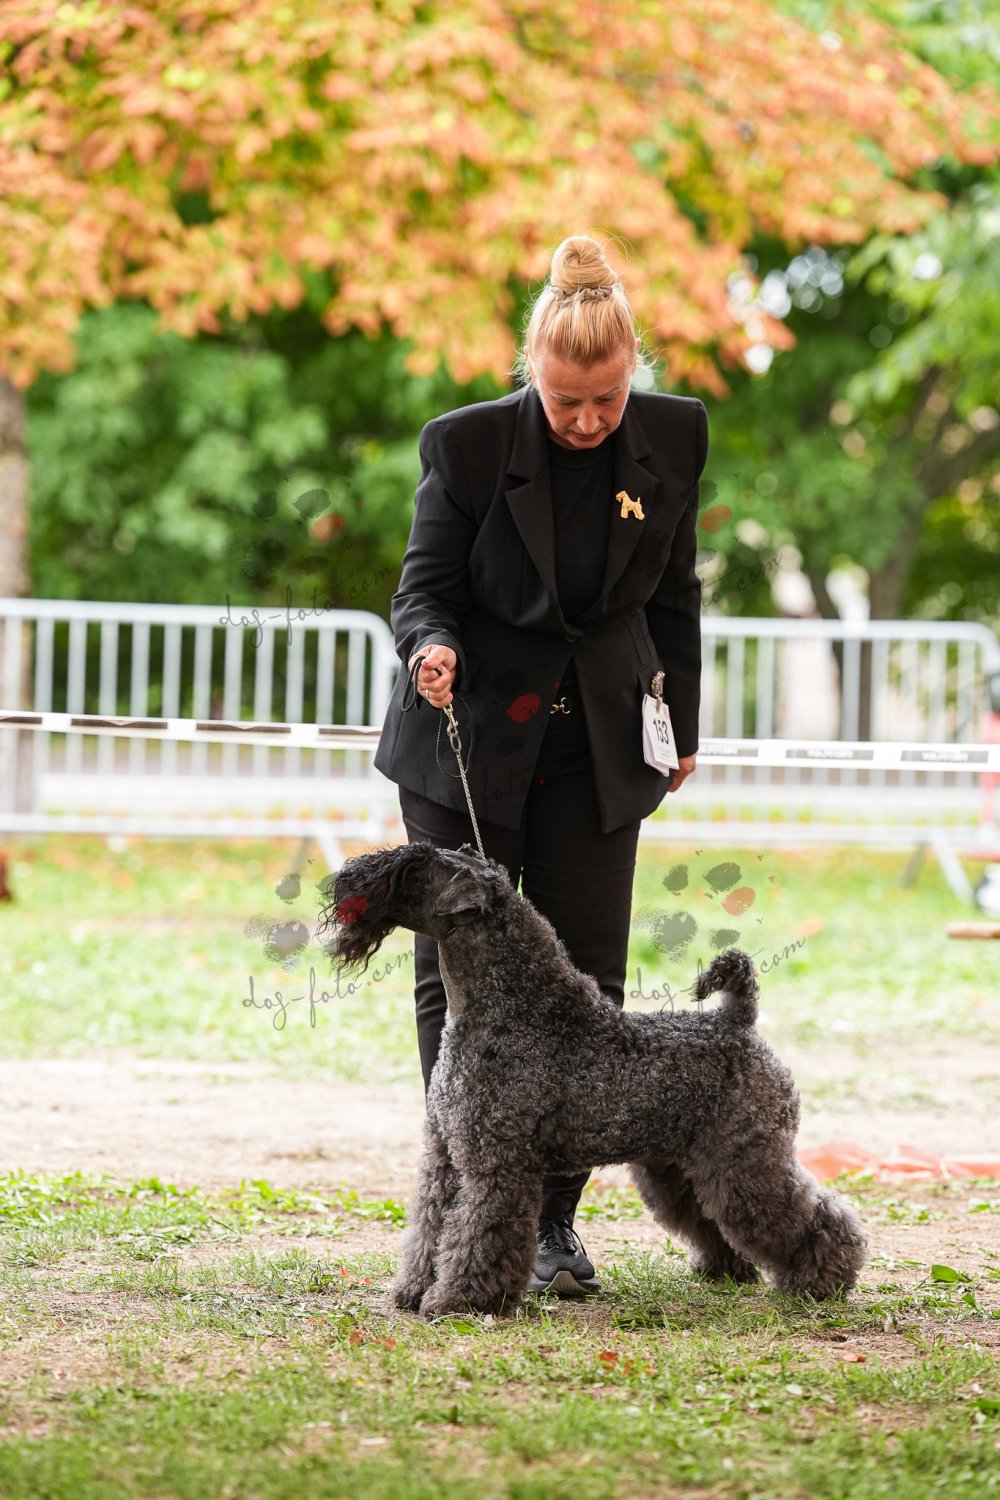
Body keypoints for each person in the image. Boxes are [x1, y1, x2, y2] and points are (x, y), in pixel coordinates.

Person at [372, 234, 709, 1296]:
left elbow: (675, 593)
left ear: (632, 369)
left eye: (606, 399)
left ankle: (553, 1225)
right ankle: (458, 1211)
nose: (588, 420)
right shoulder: (467, 445)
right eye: (567, 400)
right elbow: (422, 587)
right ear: (533, 372)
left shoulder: (675, 435)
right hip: (469, 731)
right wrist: (431, 646)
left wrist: (681, 726)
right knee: (460, 983)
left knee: (588, 985)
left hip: (600, 740)